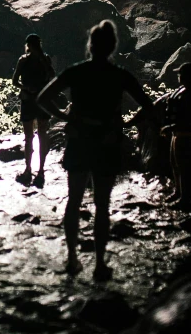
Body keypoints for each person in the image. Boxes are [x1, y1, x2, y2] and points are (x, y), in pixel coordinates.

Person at [37, 20, 154, 279]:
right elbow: (148, 105)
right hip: (107, 143)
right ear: (113, 46)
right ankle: (100, 263)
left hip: (79, 140)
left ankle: (71, 259)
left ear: (90, 45)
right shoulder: (121, 75)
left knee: (74, 200)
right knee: (102, 204)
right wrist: (128, 122)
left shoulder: (75, 71)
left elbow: (42, 98)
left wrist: (64, 118)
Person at [12, 34, 55, 188]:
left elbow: (14, 81)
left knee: (28, 136)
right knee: (42, 134)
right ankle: (41, 170)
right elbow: (53, 77)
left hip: (28, 100)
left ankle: (28, 170)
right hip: (43, 101)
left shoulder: (23, 60)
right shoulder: (46, 59)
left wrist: (26, 87)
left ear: (28, 45)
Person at [162, 62, 191, 210]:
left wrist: (170, 126)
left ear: (186, 76)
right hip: (177, 132)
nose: (178, 76)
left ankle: (185, 199)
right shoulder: (184, 90)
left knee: (183, 167)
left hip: (185, 133)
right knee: (175, 164)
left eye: (180, 74)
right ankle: (178, 192)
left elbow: (187, 116)